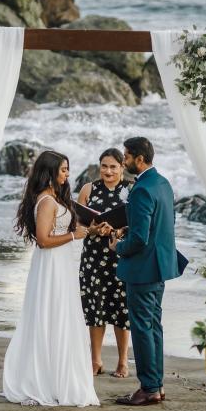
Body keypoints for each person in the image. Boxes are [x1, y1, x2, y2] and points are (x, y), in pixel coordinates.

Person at [2, 150, 99, 407]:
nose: (67, 174)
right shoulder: (46, 201)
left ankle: (58, 378)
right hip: (51, 266)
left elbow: (66, 230)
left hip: (62, 264)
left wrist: (88, 231)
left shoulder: (56, 197)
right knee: (52, 316)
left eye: (68, 169)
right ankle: (43, 381)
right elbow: (44, 241)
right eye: (63, 170)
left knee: (62, 316)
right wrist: (73, 236)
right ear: (50, 172)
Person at [108, 137, 187, 407]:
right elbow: (162, 224)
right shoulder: (162, 183)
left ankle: (149, 388)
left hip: (142, 269)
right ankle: (157, 384)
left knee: (142, 328)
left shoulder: (141, 189)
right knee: (154, 326)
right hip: (161, 265)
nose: (124, 161)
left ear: (139, 158)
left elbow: (140, 238)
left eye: (127, 156)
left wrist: (119, 246)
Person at [77, 148, 131, 378]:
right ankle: (95, 360)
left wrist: (119, 230)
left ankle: (123, 361)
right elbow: (77, 225)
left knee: (121, 310)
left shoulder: (131, 190)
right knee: (95, 307)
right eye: (104, 166)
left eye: (113, 166)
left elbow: (138, 224)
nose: (108, 171)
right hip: (93, 257)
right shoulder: (89, 189)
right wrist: (92, 230)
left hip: (121, 255)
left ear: (122, 167)